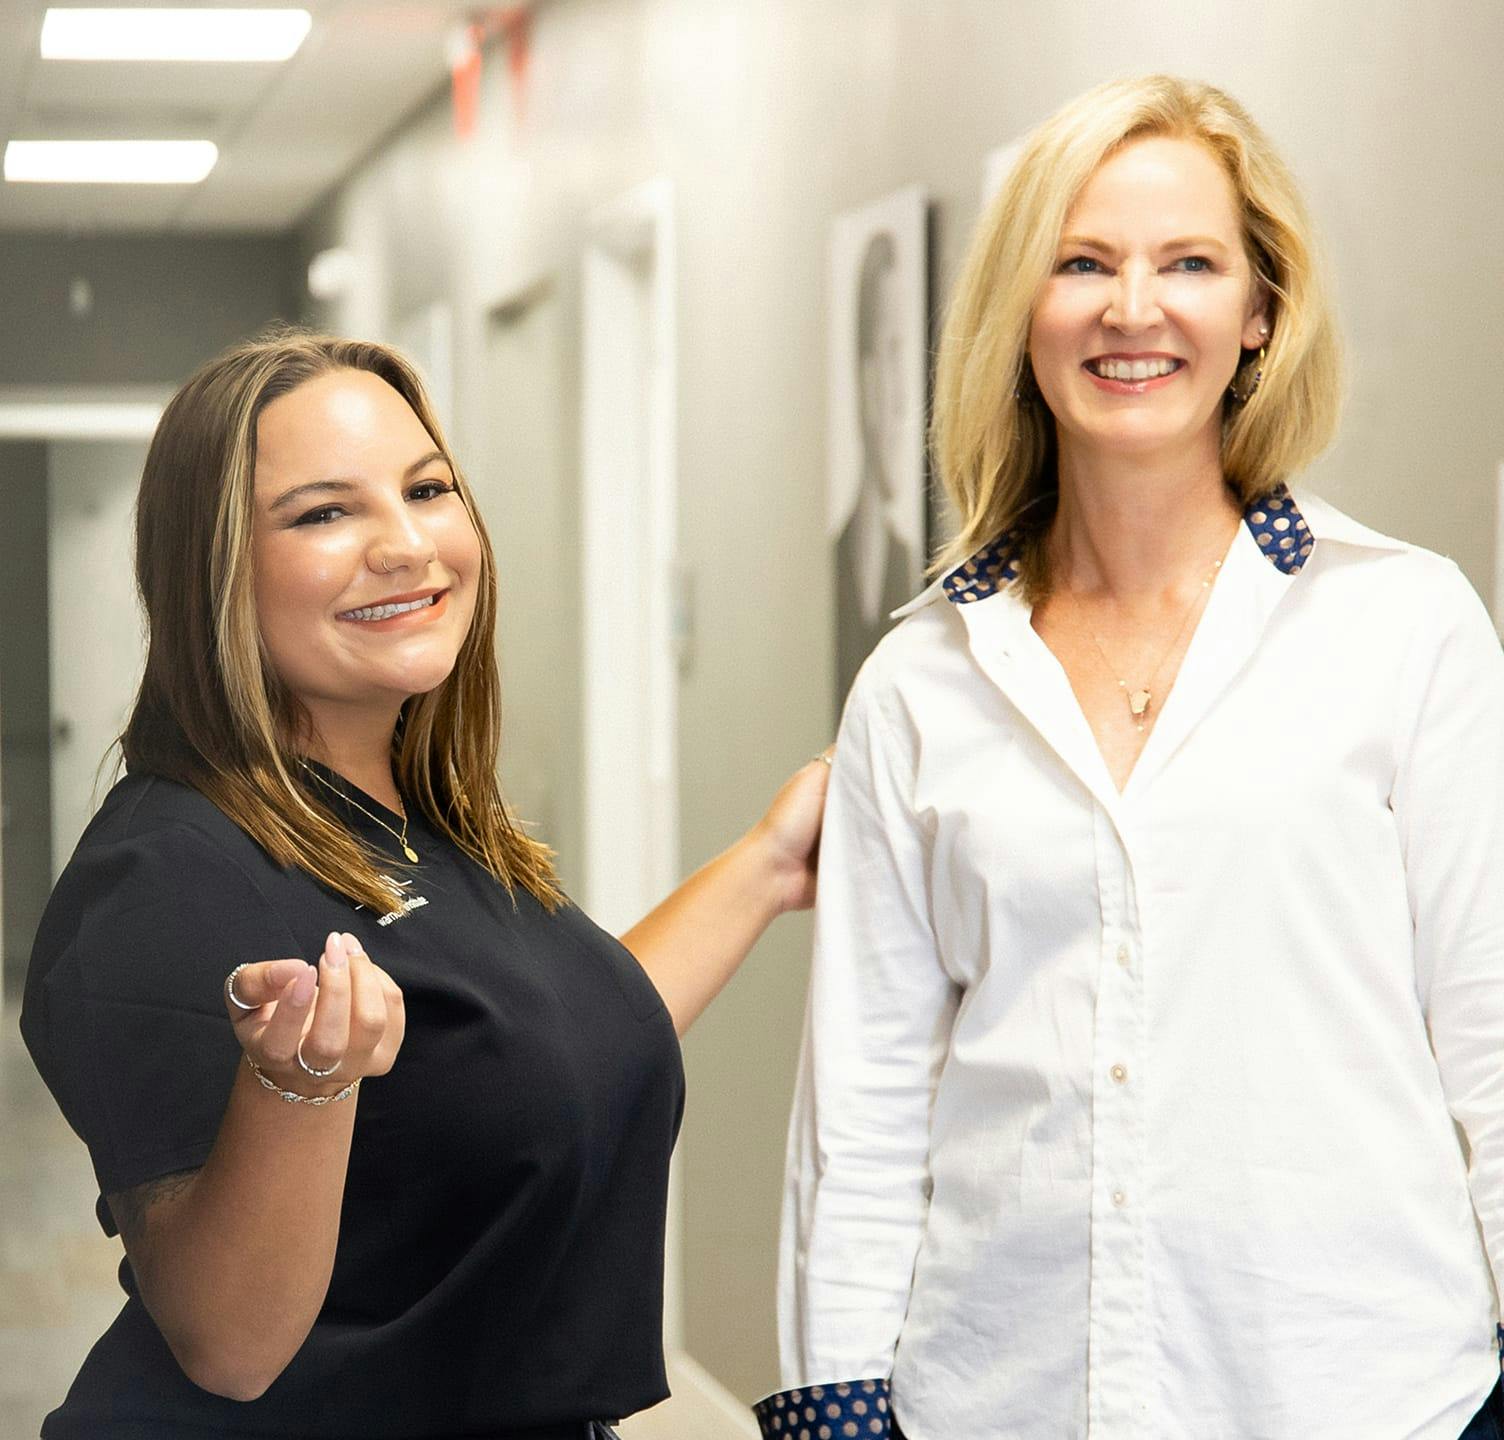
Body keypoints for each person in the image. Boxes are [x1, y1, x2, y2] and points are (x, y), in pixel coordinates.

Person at [761, 75, 1504, 1440]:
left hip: (1366, 1392)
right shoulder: (920, 682)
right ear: (1020, 314)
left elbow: (1495, 1039)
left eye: (1190, 264)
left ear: (1260, 313)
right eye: (1083, 262)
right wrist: (836, 1400)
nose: (1132, 308)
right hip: (1008, 1395)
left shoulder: (1405, 626)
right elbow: (860, 1114)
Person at [20, 330, 831, 1439]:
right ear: (211, 569)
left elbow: (534, 1056)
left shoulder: (416, 815)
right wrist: (299, 1086)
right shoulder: (164, 875)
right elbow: (228, 1344)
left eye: (428, 489)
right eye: (323, 513)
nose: (407, 545)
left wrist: (771, 863)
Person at [834, 228, 922, 700]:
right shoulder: (839, 563)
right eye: (892, 355)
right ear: (864, 378)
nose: (903, 398)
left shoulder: (906, 565)